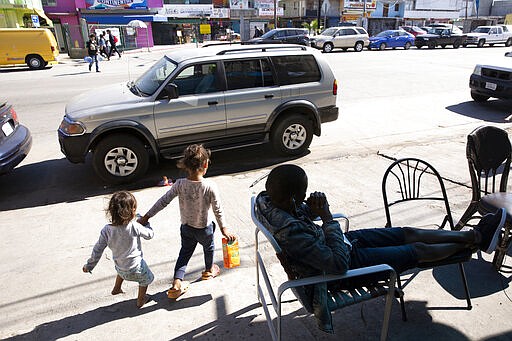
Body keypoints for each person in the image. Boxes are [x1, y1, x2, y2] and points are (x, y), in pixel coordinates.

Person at [255, 164, 506, 331]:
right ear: (291, 198)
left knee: (405, 232)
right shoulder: (291, 232)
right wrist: (328, 217)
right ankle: (476, 241)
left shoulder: (269, 200)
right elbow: (338, 265)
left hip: (341, 243)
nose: (304, 199)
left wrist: (313, 207)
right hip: (338, 270)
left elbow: (297, 211)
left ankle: (474, 235)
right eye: (303, 194)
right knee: (415, 251)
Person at [138, 144, 236, 299]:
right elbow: (218, 210)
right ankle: (209, 270)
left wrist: (146, 217)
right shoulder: (210, 186)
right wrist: (224, 228)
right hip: (205, 229)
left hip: (186, 228)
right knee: (209, 248)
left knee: (184, 254)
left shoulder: (179, 184)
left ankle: (176, 284)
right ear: (205, 164)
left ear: (185, 165)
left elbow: (163, 201)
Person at [83, 191, 154, 308]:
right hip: (136, 269)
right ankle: (141, 300)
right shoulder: (134, 226)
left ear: (111, 212)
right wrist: (146, 224)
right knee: (146, 280)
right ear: (132, 211)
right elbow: (150, 235)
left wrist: (89, 266)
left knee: (122, 267)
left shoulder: (107, 230)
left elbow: (97, 250)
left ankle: (116, 288)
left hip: (120, 267)